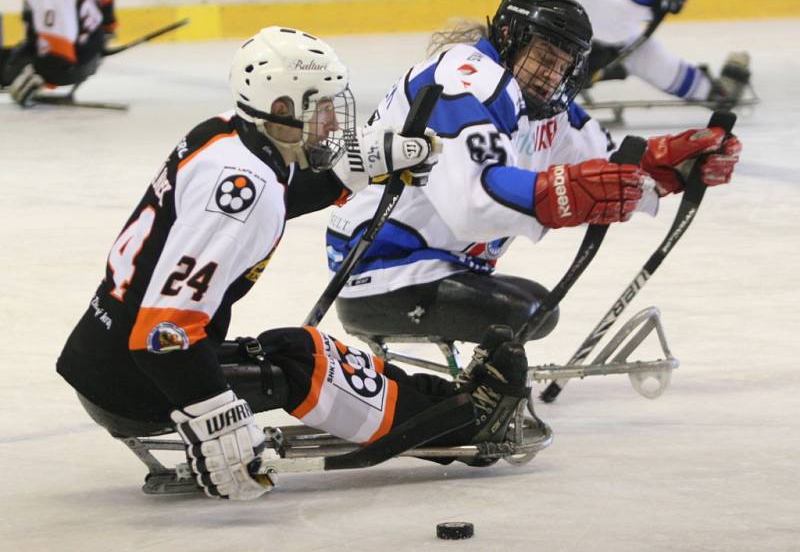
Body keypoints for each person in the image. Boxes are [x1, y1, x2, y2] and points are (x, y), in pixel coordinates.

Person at [57, 26, 533, 501]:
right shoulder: (243, 184)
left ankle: (446, 401)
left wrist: (364, 164)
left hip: (111, 357)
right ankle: (459, 423)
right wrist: (216, 422)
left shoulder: (229, 133)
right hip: (136, 381)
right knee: (305, 369)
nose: (330, 121)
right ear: (281, 108)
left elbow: (278, 194)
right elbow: (164, 332)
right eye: (320, 106)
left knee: (295, 349)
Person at [325, 0, 742, 346]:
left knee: (532, 309)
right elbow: (473, 201)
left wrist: (669, 168)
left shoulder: (542, 105)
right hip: (383, 266)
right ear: (510, 36)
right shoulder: (461, 80)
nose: (552, 75)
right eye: (544, 57)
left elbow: (606, 166)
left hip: (438, 262)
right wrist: (561, 192)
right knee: (526, 310)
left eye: (563, 66)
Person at [527, 0, 750, 107]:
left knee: (632, 46)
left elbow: (590, 2)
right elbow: (605, 11)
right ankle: (711, 91)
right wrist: (653, 0)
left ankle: (706, 90)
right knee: (635, 47)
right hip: (545, 57)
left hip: (549, 47)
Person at [0, 0, 117, 107]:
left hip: (67, 66)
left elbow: (59, 53)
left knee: (7, 64)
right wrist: (107, 30)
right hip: (91, 53)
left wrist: (38, 76)